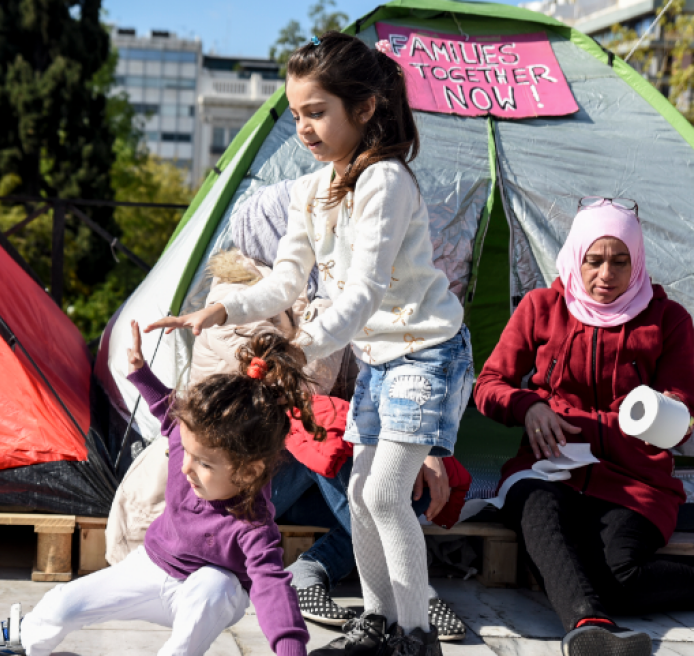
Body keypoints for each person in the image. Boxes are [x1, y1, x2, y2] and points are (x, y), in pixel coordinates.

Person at [148, 32, 473, 656]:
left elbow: (364, 293)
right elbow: (287, 281)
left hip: (426, 351)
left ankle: (417, 636)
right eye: (296, 114)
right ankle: (380, 622)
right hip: (380, 356)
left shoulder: (386, 182)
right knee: (358, 493)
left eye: (317, 112)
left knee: (383, 493)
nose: (303, 127)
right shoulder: (310, 189)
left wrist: (300, 348)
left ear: (367, 108)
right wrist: (219, 309)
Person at [0, 323, 320, 656]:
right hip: (149, 568)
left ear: (248, 472)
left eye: (205, 465)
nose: (185, 468)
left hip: (206, 596)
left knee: (215, 585)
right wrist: (139, 372)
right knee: (61, 604)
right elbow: (169, 414)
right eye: (188, 453)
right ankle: (27, 635)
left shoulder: (253, 524)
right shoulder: (190, 447)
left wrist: (290, 648)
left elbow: (272, 587)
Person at [473, 197, 694, 656]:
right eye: (593, 261)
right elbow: (488, 385)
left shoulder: (668, 321)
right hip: (548, 471)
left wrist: (663, 413)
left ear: (638, 261)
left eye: (619, 261)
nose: (605, 275)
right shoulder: (540, 307)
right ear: (576, 256)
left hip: (634, 480)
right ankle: (589, 628)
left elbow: (683, 417)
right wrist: (528, 406)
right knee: (535, 507)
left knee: (621, 577)